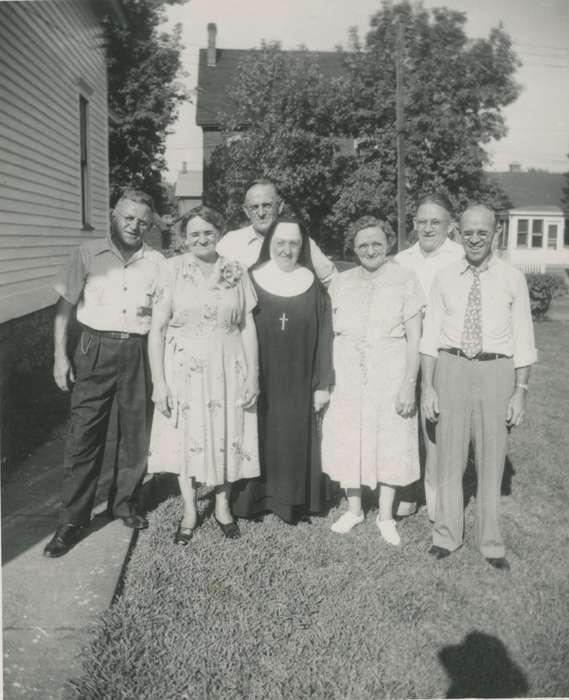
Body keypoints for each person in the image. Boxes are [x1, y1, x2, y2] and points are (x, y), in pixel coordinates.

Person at [44, 190, 164, 558]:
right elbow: (64, 308)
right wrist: (60, 357)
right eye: (128, 217)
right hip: (92, 348)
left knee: (135, 434)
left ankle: (123, 504)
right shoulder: (86, 254)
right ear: (114, 214)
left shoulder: (159, 262)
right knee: (84, 435)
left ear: (151, 223)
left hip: (138, 351)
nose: (134, 225)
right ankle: (73, 519)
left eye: (143, 220)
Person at [421, 204, 537, 570]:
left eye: (482, 233)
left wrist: (520, 390)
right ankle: (446, 535)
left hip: (496, 371)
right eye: (468, 232)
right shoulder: (443, 276)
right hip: (451, 366)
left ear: (495, 234)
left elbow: (524, 337)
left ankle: (491, 543)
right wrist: (428, 386)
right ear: (458, 232)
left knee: (491, 459)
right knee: (449, 458)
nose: (474, 239)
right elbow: (429, 337)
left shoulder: (512, 278)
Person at [147, 206, 260, 543]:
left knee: (227, 432)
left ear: (219, 233)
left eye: (208, 232)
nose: (201, 238)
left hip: (228, 365)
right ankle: (190, 509)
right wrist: (158, 382)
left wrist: (253, 375)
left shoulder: (235, 270)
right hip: (183, 369)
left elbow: (247, 326)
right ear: (184, 237)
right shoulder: (171, 270)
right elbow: (156, 330)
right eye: (194, 233)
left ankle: (223, 505)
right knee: (186, 436)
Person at [321, 216, 426, 545]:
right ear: (353, 248)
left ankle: (385, 515)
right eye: (363, 244)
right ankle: (354, 509)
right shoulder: (341, 282)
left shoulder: (406, 280)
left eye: (377, 243)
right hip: (349, 373)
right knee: (349, 435)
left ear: (389, 244)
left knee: (391, 438)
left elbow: (415, 339)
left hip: (390, 371)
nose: (370, 250)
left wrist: (409, 383)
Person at [231, 218, 333, 524]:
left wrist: (322, 382)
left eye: (294, 244)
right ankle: (252, 499)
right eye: (280, 243)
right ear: (268, 244)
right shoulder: (249, 279)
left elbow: (325, 335)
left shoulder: (313, 285)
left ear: (302, 247)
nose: (286, 249)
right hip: (258, 375)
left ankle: (291, 501)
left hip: (299, 378)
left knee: (291, 436)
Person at [394, 194, 464, 520]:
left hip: (443, 353)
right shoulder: (402, 259)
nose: (427, 228)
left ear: (450, 225)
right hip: (405, 352)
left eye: (435, 222)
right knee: (404, 421)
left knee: (436, 423)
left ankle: (437, 493)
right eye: (421, 221)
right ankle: (407, 490)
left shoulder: (461, 258)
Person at [216, 178, 337, 286]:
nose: (261, 213)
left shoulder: (300, 241)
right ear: (246, 211)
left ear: (280, 207)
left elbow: (332, 280)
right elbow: (211, 282)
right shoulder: (230, 242)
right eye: (254, 207)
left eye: (267, 205)